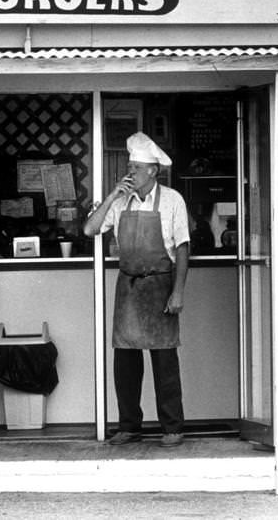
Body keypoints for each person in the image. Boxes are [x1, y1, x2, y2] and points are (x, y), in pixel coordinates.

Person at [83, 132, 190, 447]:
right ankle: (129, 426)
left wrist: (178, 291)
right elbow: (90, 229)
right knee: (126, 364)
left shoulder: (172, 200)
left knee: (164, 361)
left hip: (160, 284)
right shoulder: (120, 201)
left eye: (135, 168)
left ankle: (172, 428)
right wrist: (113, 196)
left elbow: (183, 249)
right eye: (129, 167)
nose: (129, 173)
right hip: (129, 285)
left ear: (152, 171)